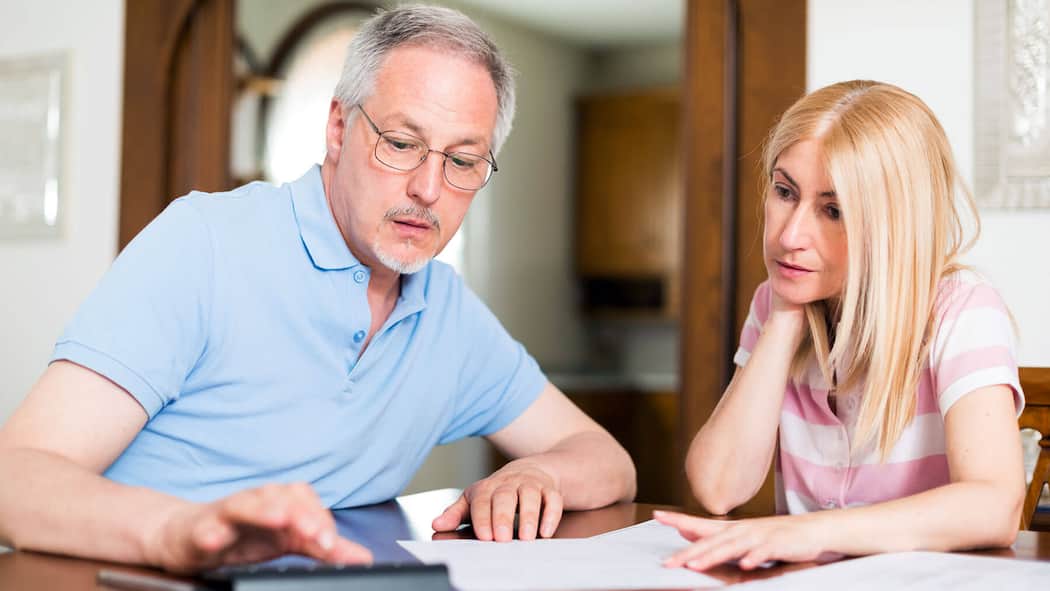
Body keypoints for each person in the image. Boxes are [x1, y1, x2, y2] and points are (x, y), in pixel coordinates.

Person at [0, 5, 635, 573]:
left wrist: (538, 472)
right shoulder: (206, 244)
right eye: (402, 143)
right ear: (337, 128)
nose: (428, 189)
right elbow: (16, 479)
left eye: (463, 161)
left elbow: (607, 460)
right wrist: (178, 532)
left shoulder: (447, 311)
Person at [656, 80, 1026, 571]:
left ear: (894, 225)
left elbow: (994, 506)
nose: (790, 235)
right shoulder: (775, 303)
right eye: (785, 192)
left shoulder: (961, 309)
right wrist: (786, 313)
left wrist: (812, 532)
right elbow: (719, 487)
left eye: (834, 211)